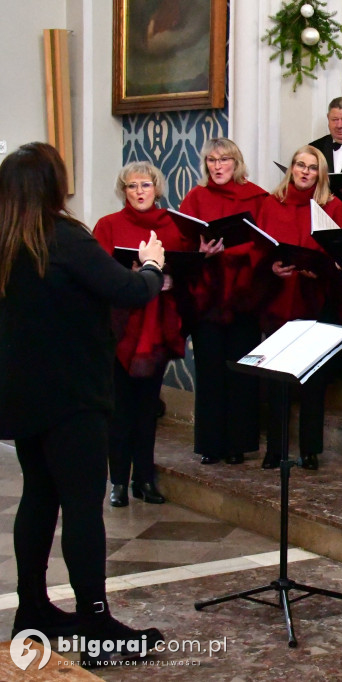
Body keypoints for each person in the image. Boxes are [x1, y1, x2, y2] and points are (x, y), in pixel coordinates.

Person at [0, 142, 163, 659]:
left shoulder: (5, 239)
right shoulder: (63, 237)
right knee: (81, 507)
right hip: (73, 395)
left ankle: (33, 610)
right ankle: (96, 624)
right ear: (53, 186)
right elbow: (130, 291)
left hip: (21, 393)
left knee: (39, 495)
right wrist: (152, 267)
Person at [93, 162, 187, 508]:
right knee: (119, 410)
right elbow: (97, 275)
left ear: (156, 188)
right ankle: (117, 480)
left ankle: (144, 479)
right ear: (124, 191)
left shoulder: (171, 227)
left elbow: (186, 273)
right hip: (121, 328)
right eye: (131, 186)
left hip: (157, 326)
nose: (139, 192)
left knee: (147, 409)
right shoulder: (108, 225)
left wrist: (171, 280)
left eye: (145, 185)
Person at [254, 145, 342, 471]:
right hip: (279, 297)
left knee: (313, 379)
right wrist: (272, 269)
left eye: (312, 168)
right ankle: (274, 448)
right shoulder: (271, 203)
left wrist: (321, 269)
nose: (305, 172)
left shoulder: (331, 207)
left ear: (320, 174)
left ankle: (310, 449)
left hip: (315, 299)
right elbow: (259, 248)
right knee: (276, 377)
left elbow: (341, 254)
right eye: (300, 165)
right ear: (291, 168)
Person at [179, 138, 267, 466]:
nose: (217, 166)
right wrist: (201, 254)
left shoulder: (256, 197)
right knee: (210, 372)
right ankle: (210, 445)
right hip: (208, 297)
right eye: (212, 160)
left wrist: (239, 253)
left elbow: (266, 243)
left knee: (241, 373)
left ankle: (238, 445)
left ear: (236, 162)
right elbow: (182, 240)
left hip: (244, 295)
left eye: (224, 160)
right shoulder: (196, 197)